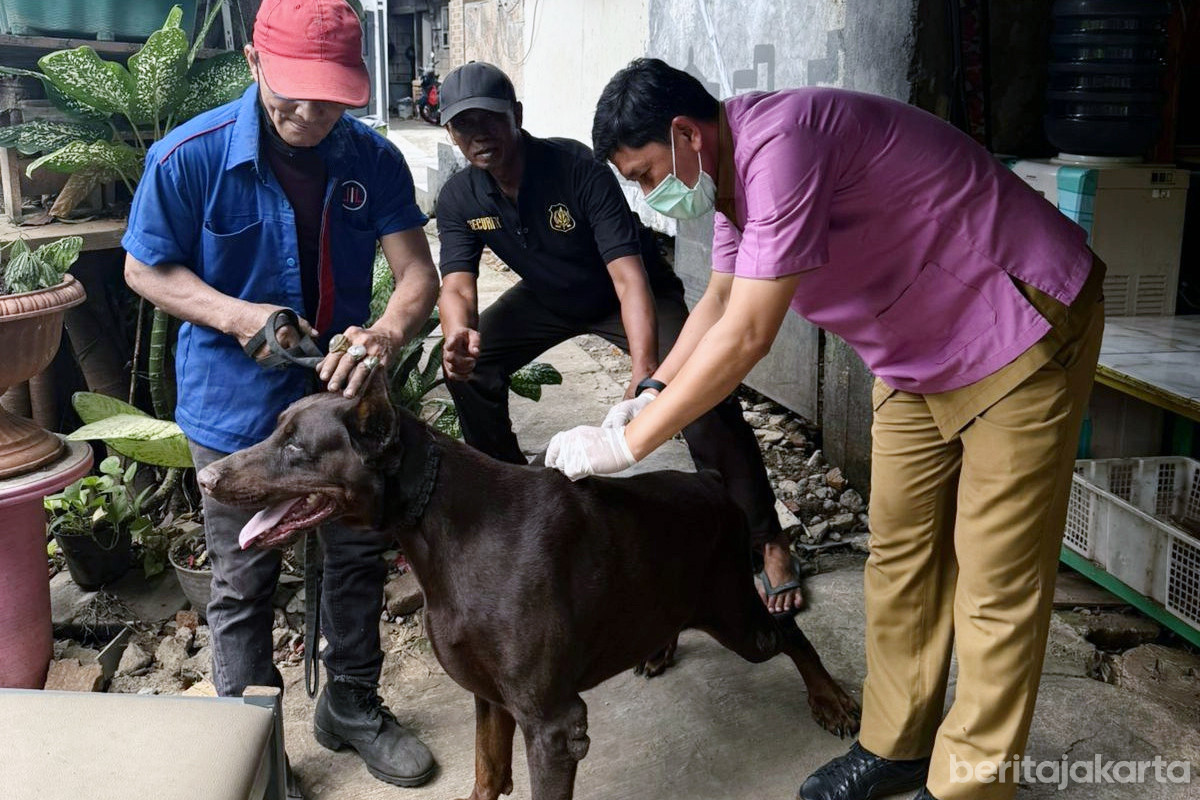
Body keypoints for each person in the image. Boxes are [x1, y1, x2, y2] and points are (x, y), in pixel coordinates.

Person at [548, 58, 1104, 800]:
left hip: (1013, 320)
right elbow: (718, 299)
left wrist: (630, 444)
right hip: (916, 354)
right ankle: (899, 744)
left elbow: (747, 336)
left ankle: (967, 785)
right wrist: (650, 389)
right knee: (900, 557)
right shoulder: (729, 180)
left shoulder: (783, 145)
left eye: (646, 174)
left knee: (994, 580)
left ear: (685, 135)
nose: (650, 194)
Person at [121, 0, 439, 793]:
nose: (309, 113)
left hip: (342, 407)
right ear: (254, 63)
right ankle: (255, 751)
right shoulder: (184, 159)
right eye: (292, 91)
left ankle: (353, 707)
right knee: (242, 579)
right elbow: (141, 268)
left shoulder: (371, 159)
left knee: (360, 555)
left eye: (329, 97)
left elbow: (417, 277)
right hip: (233, 410)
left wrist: (384, 337)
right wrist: (238, 316)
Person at [433, 61, 804, 616]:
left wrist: (646, 375)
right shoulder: (461, 197)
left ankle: (765, 537)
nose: (478, 135)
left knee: (700, 392)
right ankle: (511, 505)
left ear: (518, 116)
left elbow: (628, 279)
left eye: (490, 119)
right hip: (547, 299)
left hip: (627, 291)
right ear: (451, 135)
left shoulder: (576, 167)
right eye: (464, 127)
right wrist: (458, 331)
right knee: (468, 367)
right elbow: (458, 285)